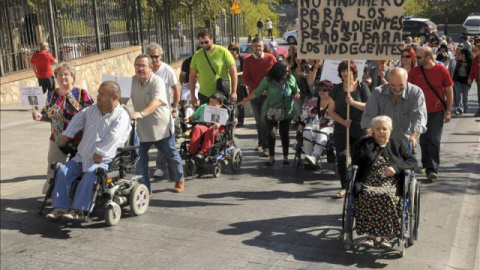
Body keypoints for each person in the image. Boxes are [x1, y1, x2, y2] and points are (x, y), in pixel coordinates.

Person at [46, 81, 131, 220]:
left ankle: (79, 211)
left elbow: (115, 138)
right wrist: (68, 134)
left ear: (114, 97)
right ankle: (61, 207)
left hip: (104, 161)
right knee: (62, 169)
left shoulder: (121, 117)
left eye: (102, 94)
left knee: (92, 173)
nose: (97, 96)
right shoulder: (93, 109)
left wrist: (101, 153)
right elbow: (78, 118)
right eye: (98, 93)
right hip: (82, 157)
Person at [352, 115, 417, 248]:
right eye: (378, 129)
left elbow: (412, 162)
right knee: (366, 195)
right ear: (373, 131)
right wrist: (366, 139)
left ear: (390, 131)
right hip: (369, 180)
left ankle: (386, 237)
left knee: (386, 196)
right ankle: (371, 236)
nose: (381, 132)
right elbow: (356, 159)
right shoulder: (367, 144)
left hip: (391, 182)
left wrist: (396, 167)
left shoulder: (398, 144)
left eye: (384, 129)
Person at [32, 62, 94, 194]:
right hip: (57, 138)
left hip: (78, 139)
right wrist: (40, 116)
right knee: (53, 166)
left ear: (72, 76)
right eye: (59, 75)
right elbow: (48, 114)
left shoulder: (81, 94)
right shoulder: (52, 94)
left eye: (66, 74)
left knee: (77, 168)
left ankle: (77, 192)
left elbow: (92, 115)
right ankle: (52, 193)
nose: (63, 77)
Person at [129, 54, 185, 193]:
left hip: (161, 127)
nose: (140, 68)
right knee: (140, 159)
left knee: (171, 154)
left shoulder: (157, 81)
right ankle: (146, 189)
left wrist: (141, 113)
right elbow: (120, 98)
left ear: (151, 67)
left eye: (143, 65)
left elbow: (157, 101)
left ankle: (179, 179)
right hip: (142, 128)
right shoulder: (131, 81)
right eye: (137, 65)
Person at [238, 61, 300, 166]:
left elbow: (296, 90)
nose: (287, 73)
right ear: (278, 71)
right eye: (285, 71)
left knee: (284, 134)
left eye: (288, 71)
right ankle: (271, 157)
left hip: (287, 111)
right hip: (271, 110)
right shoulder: (268, 80)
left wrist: (296, 94)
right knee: (271, 134)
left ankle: (285, 157)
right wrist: (246, 99)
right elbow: (257, 91)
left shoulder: (290, 78)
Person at [408, 46, 454, 181]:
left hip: (436, 111)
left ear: (428, 58)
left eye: (419, 57)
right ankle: (426, 164)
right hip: (418, 112)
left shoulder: (441, 70)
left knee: (433, 139)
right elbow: (408, 90)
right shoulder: (414, 72)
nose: (416, 59)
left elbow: (449, 91)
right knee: (424, 140)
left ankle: (432, 169)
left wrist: (448, 111)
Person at [328, 61, 371, 198]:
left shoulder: (362, 87)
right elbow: (331, 111)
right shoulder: (336, 89)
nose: (345, 73)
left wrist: (353, 103)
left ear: (354, 72)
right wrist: (342, 121)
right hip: (342, 129)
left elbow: (369, 107)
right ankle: (345, 186)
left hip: (359, 129)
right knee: (341, 156)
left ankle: (358, 185)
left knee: (358, 158)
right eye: (343, 71)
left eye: (348, 71)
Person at [361, 67, 427, 146]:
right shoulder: (378, 92)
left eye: (401, 85)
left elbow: (419, 117)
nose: (397, 88)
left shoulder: (416, 93)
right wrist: (369, 132)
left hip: (405, 141)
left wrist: (414, 136)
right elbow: (368, 116)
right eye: (393, 85)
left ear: (406, 81)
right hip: (381, 142)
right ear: (388, 82)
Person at [146, 43, 181, 178]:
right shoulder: (145, 70)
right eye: (151, 56)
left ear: (161, 56)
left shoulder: (167, 70)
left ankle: (163, 167)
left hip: (163, 111)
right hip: (147, 110)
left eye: (156, 56)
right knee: (144, 141)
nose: (154, 59)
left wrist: (175, 108)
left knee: (165, 140)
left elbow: (176, 89)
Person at [242, 37, 277, 157]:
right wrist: (258, 90)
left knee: (264, 120)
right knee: (258, 121)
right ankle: (261, 143)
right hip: (254, 96)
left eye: (260, 46)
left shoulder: (270, 58)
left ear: (263, 47)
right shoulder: (247, 60)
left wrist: (267, 88)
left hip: (268, 95)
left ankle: (266, 147)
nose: (258, 48)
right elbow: (246, 79)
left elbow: (277, 75)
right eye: (256, 46)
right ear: (252, 47)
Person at [189, 29, 237, 105]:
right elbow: (192, 76)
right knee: (205, 117)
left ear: (211, 39)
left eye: (206, 42)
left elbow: (233, 72)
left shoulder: (223, 52)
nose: (204, 45)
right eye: (201, 43)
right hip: (204, 95)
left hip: (221, 94)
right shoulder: (197, 55)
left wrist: (234, 92)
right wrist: (192, 96)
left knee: (225, 117)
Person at [298, 80, 334, 165]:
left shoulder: (334, 102)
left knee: (322, 132)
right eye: (319, 89)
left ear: (330, 91)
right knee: (306, 131)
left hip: (329, 126)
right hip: (314, 124)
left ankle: (315, 157)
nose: (321, 91)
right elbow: (305, 113)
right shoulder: (313, 100)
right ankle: (308, 156)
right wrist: (301, 124)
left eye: (324, 90)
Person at [185, 93, 227, 160]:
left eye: (214, 103)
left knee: (211, 129)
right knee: (197, 128)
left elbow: (222, 121)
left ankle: (203, 152)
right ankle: (191, 151)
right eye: (210, 102)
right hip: (204, 125)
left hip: (216, 128)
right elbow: (193, 117)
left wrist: (217, 125)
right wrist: (187, 119)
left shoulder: (223, 111)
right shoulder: (203, 107)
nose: (211, 105)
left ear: (220, 104)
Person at [227, 42, 246, 127]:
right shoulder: (226, 59)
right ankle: (230, 120)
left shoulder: (242, 59)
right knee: (229, 103)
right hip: (228, 83)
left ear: (237, 50)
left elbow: (245, 71)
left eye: (234, 49)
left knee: (240, 103)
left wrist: (235, 74)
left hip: (240, 83)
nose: (232, 51)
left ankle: (240, 121)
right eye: (230, 49)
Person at [452, 48, 473, 115]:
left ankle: (465, 107)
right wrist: (453, 80)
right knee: (458, 94)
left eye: (461, 54)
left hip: (466, 81)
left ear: (464, 55)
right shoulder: (459, 61)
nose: (459, 55)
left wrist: (470, 79)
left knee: (465, 95)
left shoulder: (470, 62)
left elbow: (471, 72)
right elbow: (455, 71)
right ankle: (460, 108)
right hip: (458, 80)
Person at [468, 45, 480, 117]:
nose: (474, 52)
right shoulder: (475, 59)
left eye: (476, 50)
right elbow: (472, 70)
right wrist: (470, 78)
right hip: (478, 81)